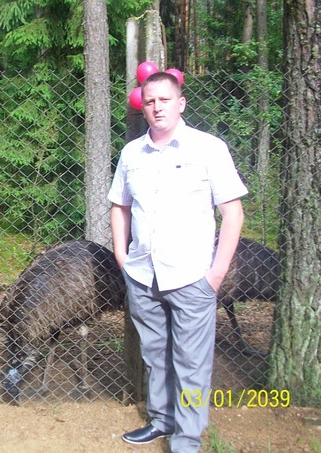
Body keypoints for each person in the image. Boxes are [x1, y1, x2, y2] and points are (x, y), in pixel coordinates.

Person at [108, 71, 247, 452]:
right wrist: (122, 255)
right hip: (143, 275)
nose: (157, 108)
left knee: (191, 363)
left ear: (181, 103)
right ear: (143, 108)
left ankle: (186, 440)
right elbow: (120, 205)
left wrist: (215, 275)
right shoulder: (131, 154)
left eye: (164, 100)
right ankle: (162, 420)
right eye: (150, 101)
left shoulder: (208, 148)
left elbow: (232, 213)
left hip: (192, 278)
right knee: (155, 355)